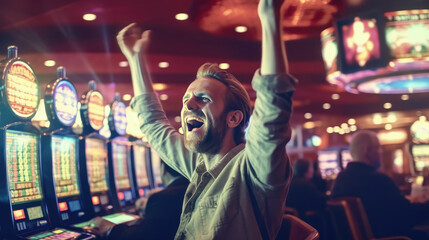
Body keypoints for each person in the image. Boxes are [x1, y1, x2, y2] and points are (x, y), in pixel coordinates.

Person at [115, 0, 296, 238]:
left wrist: (270, 16)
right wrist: (135, 59)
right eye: (186, 99)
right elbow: (152, 123)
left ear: (233, 118)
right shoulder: (199, 165)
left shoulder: (253, 169)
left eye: (203, 99)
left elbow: (272, 109)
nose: (189, 104)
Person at [331, 130, 429, 239]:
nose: (381, 152)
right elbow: (407, 215)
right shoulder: (378, 179)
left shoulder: (340, 179)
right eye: (378, 148)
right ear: (367, 150)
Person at [88, 160, 189, 239]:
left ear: (162, 169)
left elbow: (145, 237)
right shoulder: (189, 187)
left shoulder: (163, 198)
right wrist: (151, 206)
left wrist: (109, 228)